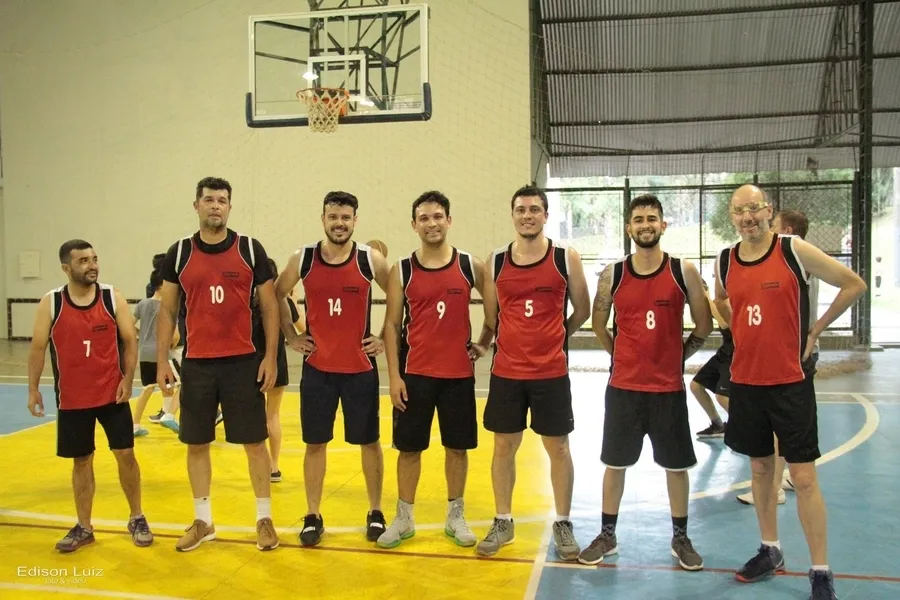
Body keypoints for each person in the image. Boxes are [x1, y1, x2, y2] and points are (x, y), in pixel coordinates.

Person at [715, 185, 866, 599]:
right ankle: (770, 549)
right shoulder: (725, 258)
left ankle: (820, 571)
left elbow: (853, 284)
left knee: (802, 477)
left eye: (754, 208)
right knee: (762, 469)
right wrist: (739, 329)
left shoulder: (793, 250)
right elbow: (721, 300)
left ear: (769, 211)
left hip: (789, 382)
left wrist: (815, 332)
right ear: (732, 217)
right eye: (739, 211)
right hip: (747, 381)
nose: (748, 217)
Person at [579, 194, 711, 571]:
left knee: (676, 467)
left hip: (666, 390)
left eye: (652, 218)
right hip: (623, 389)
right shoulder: (613, 274)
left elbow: (704, 327)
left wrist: (675, 358)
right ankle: (607, 534)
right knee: (614, 464)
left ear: (663, 224)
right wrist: (620, 356)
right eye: (638, 219)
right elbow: (600, 325)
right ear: (628, 227)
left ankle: (680, 537)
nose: (645, 225)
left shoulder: (682, 271)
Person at [156, 176, 280, 552]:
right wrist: (162, 359)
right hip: (197, 364)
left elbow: (271, 306)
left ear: (229, 206)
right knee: (197, 443)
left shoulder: (249, 249)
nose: (215, 206)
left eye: (222, 200)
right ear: (196, 205)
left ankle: (264, 519)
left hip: (242, 362)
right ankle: (203, 520)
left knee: (255, 443)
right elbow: (167, 309)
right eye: (208, 199)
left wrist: (271, 356)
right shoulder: (178, 253)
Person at [475, 185, 591, 560]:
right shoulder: (495, 261)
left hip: (551, 373)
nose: (528, 215)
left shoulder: (564, 257)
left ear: (545, 215)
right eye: (521, 209)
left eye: (535, 209)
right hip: (507, 372)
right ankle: (503, 520)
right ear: (513, 215)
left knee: (558, 447)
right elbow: (492, 318)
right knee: (504, 446)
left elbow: (583, 309)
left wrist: (556, 336)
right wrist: (487, 342)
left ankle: (563, 522)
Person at [377, 191, 497, 549]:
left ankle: (455, 515)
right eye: (424, 218)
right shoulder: (403, 269)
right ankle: (404, 518)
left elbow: (494, 314)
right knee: (409, 449)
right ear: (414, 224)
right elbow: (390, 325)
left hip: (458, 377)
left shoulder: (470, 266)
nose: (432, 223)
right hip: (415, 376)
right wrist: (394, 377)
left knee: (457, 448)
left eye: (438, 216)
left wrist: (484, 342)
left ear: (449, 220)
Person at [275, 191, 391, 546]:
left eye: (345, 217)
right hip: (318, 369)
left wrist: (385, 337)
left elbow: (403, 298)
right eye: (333, 217)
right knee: (315, 443)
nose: (339, 223)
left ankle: (375, 511)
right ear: (322, 218)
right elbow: (277, 293)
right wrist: (291, 337)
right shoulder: (304, 258)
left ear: (355, 221)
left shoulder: (371, 259)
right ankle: (312, 515)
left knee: (369, 442)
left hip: (359, 368)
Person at [27, 239, 153, 552]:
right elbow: (38, 348)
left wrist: (127, 379)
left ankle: (136, 516)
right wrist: (33, 390)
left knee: (126, 455)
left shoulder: (112, 297)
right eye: (83, 261)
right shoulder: (51, 303)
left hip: (112, 395)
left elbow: (129, 340)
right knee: (81, 461)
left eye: (94, 259)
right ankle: (84, 526)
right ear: (66, 268)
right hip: (73, 400)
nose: (92, 265)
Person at [736, 208, 819, 506]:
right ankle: (776, 482)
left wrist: (816, 330)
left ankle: (777, 486)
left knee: (781, 430)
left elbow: (851, 285)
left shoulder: (797, 257)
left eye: (776, 226)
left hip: (795, 356)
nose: (769, 228)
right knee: (769, 432)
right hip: (767, 355)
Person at [252, 257, 304, 482]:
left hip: (250, 363)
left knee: (253, 417)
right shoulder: (285, 302)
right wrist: (296, 302)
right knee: (272, 415)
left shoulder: (248, 300)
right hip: (276, 362)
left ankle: (258, 465)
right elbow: (305, 328)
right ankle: (273, 467)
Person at [131, 269, 182, 437]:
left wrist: (141, 335)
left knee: (148, 389)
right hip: (161, 353)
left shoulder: (142, 304)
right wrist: (170, 344)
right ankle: (169, 415)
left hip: (144, 351)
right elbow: (175, 336)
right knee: (185, 382)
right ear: (163, 285)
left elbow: (129, 325)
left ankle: (135, 425)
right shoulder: (168, 305)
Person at [688, 280, 731, 438]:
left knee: (722, 397)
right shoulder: (717, 301)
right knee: (696, 386)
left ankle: (749, 427)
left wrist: (704, 295)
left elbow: (724, 322)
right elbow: (698, 320)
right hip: (725, 351)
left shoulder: (730, 301)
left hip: (737, 353)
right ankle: (718, 425)